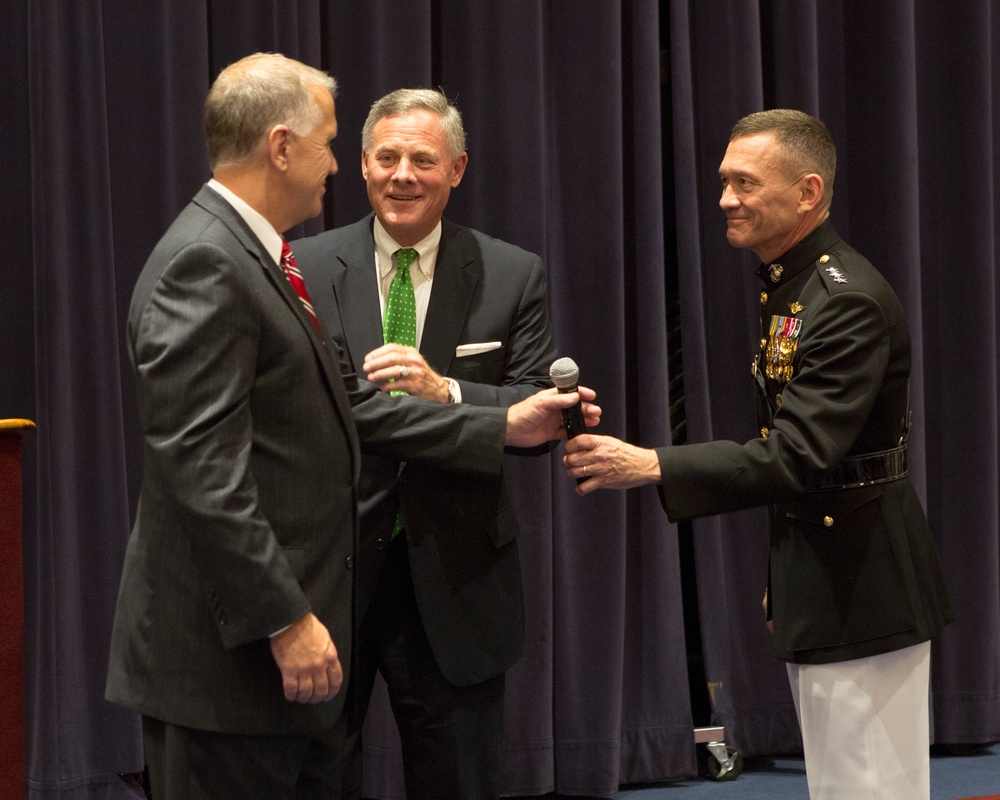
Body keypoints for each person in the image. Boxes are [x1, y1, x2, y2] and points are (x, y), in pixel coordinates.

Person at [104, 54, 595, 800]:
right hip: (250, 634)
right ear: (281, 147)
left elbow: (349, 405)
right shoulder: (214, 262)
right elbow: (205, 471)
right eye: (339, 146)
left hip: (438, 592)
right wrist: (286, 617)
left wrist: (484, 414)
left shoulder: (256, 259)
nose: (340, 167)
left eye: (420, 159)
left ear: (456, 169)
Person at [563, 109, 953, 800]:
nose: (724, 200)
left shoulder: (845, 301)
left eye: (744, 182)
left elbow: (799, 454)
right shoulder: (790, 286)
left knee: (870, 790)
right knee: (841, 787)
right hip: (828, 575)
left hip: (865, 586)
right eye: (723, 181)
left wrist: (653, 463)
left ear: (807, 192)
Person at [292, 88, 558, 800]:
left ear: (458, 169)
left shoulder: (511, 273)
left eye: (422, 159)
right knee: (312, 780)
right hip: (331, 574)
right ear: (362, 164)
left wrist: (450, 392)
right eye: (387, 157)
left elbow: (537, 416)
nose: (402, 174)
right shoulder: (304, 267)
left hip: (457, 580)